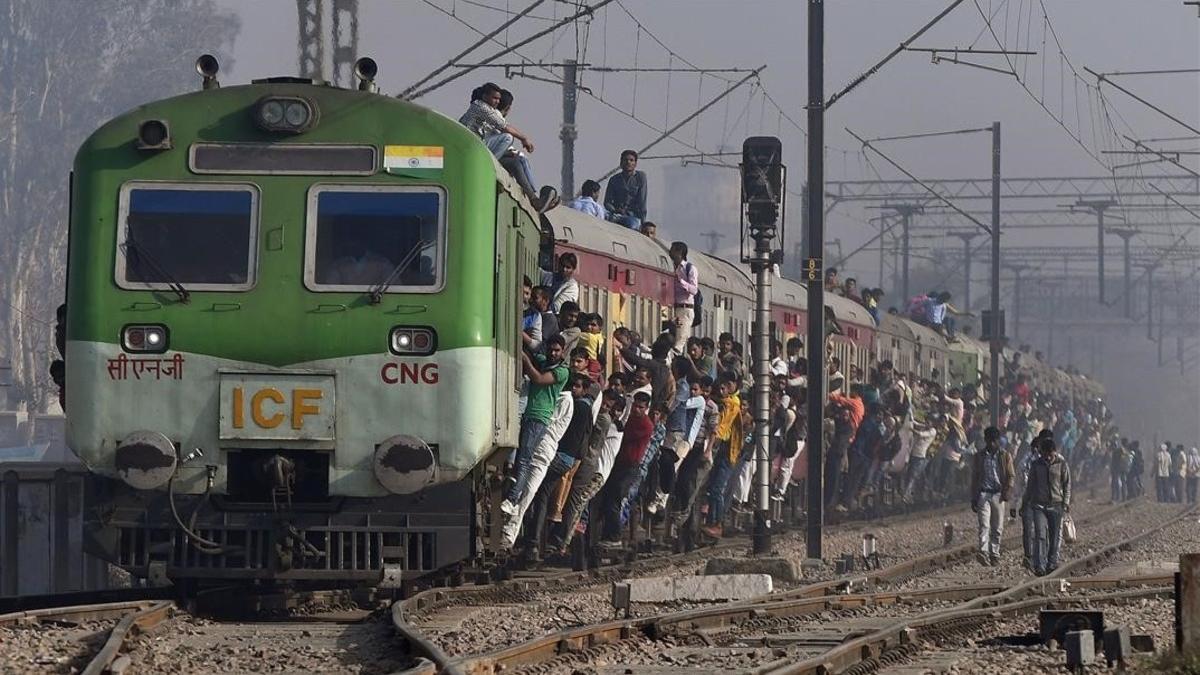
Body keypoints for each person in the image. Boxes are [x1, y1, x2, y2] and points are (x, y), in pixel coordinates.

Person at [458, 83, 555, 211]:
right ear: (485, 96)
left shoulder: (490, 111)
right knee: (507, 137)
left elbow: (504, 125)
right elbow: (505, 128)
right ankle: (491, 166)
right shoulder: (480, 107)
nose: (497, 101)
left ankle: (534, 200)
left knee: (515, 163)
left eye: (498, 99)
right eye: (494, 98)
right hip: (472, 147)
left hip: (480, 147)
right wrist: (524, 138)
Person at [503, 335, 569, 512]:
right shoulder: (543, 361)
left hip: (539, 418)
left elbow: (539, 379)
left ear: (563, 351)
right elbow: (532, 350)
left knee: (525, 459)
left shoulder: (562, 371)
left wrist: (525, 359)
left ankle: (513, 499)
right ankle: (512, 486)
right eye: (551, 349)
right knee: (516, 456)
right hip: (527, 414)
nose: (553, 353)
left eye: (557, 350)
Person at [598, 392, 654, 544]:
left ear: (646, 408)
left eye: (640, 407)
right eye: (635, 405)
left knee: (614, 499)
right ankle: (605, 535)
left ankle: (614, 537)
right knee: (607, 499)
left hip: (630, 468)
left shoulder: (646, 425)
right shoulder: (629, 419)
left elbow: (625, 433)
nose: (637, 409)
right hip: (618, 464)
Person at [1021, 438, 1071, 576]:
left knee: (1054, 536)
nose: (1048, 457)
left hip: (1056, 505)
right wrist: (1024, 503)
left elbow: (1067, 485)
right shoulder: (1036, 465)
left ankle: (1052, 562)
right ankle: (1039, 565)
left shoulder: (1062, 464)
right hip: (1039, 505)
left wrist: (1066, 503)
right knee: (1040, 535)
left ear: (1055, 452)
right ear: (1041, 452)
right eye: (1045, 454)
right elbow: (1030, 486)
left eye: (1050, 454)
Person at [971, 427, 1014, 566]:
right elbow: (975, 476)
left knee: (997, 527)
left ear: (997, 441)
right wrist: (973, 497)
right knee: (984, 524)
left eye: (993, 441)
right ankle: (983, 552)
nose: (990, 444)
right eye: (988, 441)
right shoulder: (979, 456)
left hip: (998, 494)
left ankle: (994, 553)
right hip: (984, 493)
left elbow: (1011, 475)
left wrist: (1007, 489)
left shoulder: (1005, 456)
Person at [603, 150, 647, 229]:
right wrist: (615, 210)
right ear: (621, 163)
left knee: (632, 225)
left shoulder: (640, 177)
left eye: (631, 160)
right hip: (616, 214)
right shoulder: (614, 179)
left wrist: (643, 223)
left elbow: (642, 202)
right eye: (625, 160)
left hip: (633, 216)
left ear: (635, 164)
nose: (628, 162)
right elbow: (607, 202)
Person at [669, 241, 699, 357]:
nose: (670, 252)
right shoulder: (673, 267)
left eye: (672, 250)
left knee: (680, 341)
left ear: (679, 252)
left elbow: (694, 290)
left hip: (685, 309)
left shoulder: (689, 268)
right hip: (675, 307)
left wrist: (680, 281)